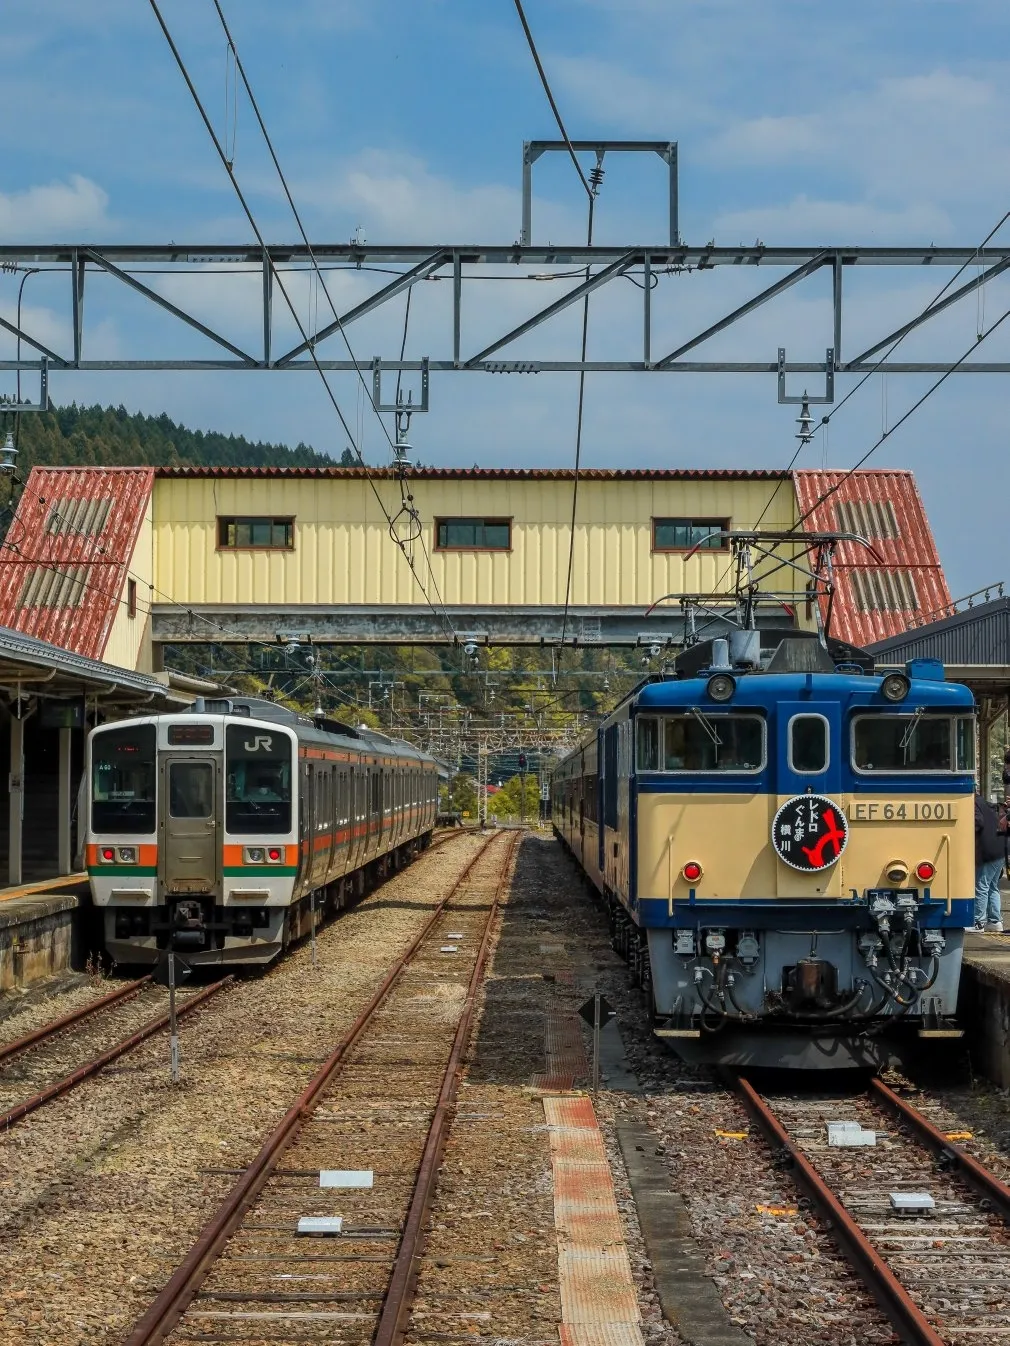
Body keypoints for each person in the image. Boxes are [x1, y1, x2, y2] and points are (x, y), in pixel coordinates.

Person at [972, 793, 1006, 933]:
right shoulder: (986, 805)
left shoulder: (974, 804)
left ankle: (979, 922)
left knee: (981, 885)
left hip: (989, 850)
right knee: (992, 886)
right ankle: (995, 921)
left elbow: (978, 822)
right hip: (1000, 848)